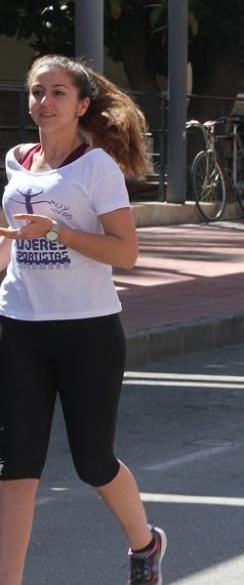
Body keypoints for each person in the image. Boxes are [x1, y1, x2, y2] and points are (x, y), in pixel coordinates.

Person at [0, 55, 163, 585]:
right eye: (36, 92)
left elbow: (126, 252)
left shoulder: (97, 167)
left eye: (58, 93)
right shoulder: (15, 161)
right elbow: (10, 246)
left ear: (82, 104)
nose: (43, 103)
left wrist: (55, 232)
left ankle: (145, 543)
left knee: (93, 462)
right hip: (19, 325)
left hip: (87, 331)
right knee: (16, 468)